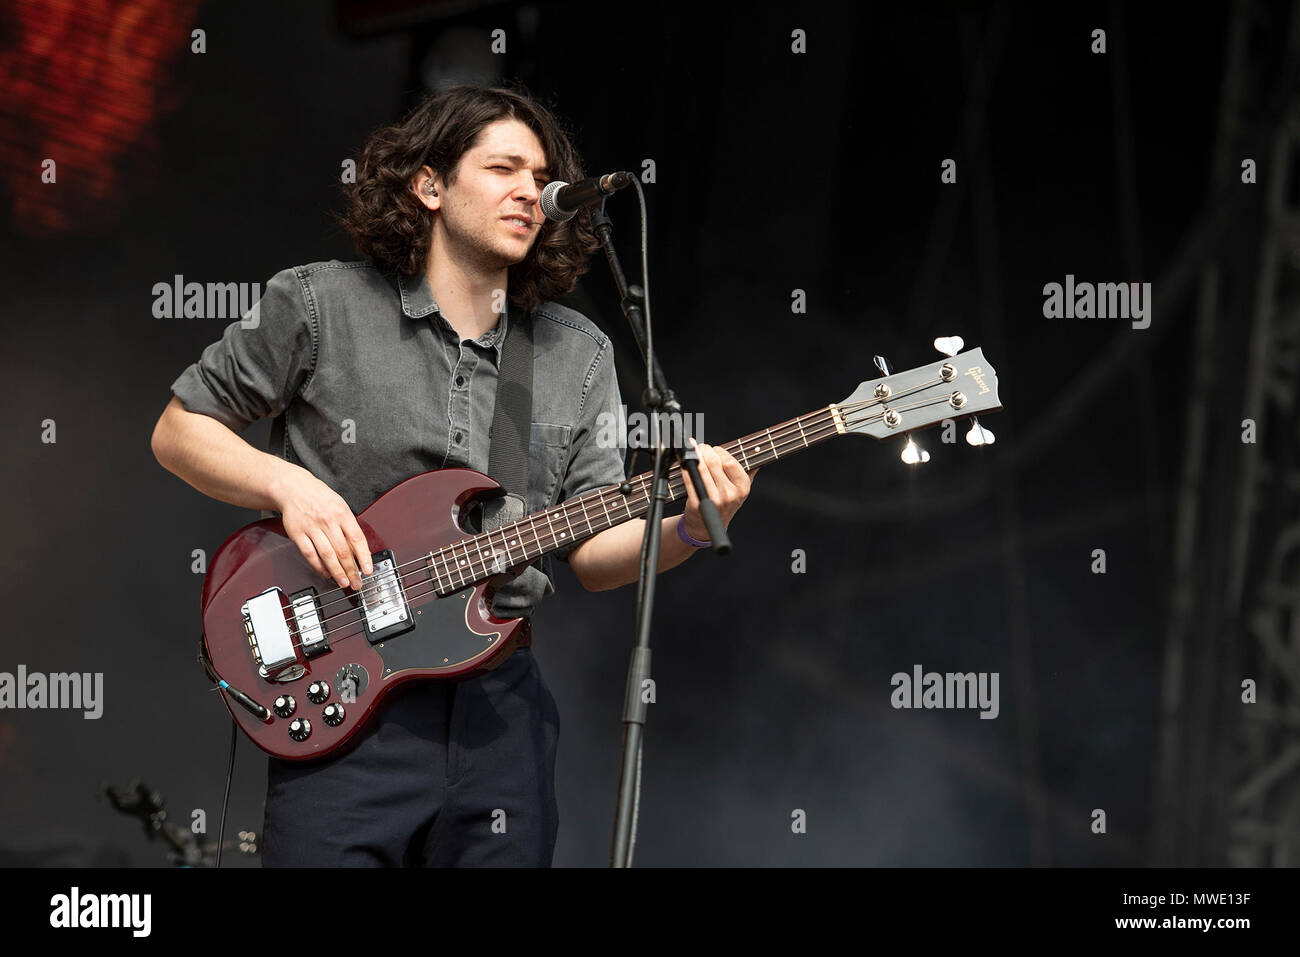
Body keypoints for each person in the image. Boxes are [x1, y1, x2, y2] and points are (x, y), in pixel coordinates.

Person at [149, 84, 755, 867]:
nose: (529, 193)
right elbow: (178, 430)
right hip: (343, 708)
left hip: (499, 723)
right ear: (429, 185)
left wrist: (690, 528)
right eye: (503, 168)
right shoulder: (320, 305)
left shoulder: (579, 355)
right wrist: (288, 486)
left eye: (540, 178)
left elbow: (597, 552)